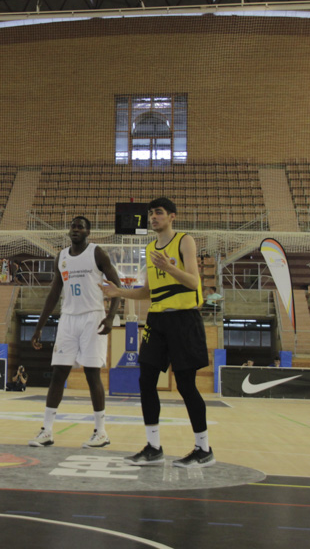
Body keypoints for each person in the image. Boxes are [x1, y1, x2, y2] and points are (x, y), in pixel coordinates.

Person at [103, 197, 214, 468]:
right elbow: (148, 292)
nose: (153, 217)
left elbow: (192, 281)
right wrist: (119, 292)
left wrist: (169, 267)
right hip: (157, 320)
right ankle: (154, 447)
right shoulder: (150, 247)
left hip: (184, 319)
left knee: (186, 385)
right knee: (145, 381)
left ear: (172, 216)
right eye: (151, 213)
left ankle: (204, 449)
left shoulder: (184, 241)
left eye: (159, 213)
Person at [27, 216, 122, 450]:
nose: (75, 229)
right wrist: (39, 327)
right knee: (58, 373)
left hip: (93, 317)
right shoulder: (61, 257)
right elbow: (53, 294)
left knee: (92, 375)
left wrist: (110, 317)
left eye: (80, 226)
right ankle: (46, 431)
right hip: (68, 319)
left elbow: (117, 287)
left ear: (88, 231)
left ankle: (101, 432)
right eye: (73, 226)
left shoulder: (97, 253)